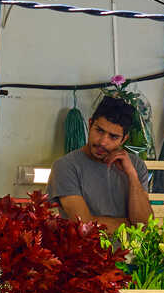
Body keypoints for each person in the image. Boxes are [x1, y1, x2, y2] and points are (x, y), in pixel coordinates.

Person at [48, 96, 153, 230]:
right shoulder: (65, 167)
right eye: (99, 130)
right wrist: (131, 226)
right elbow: (85, 226)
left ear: (124, 139)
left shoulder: (136, 166)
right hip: (87, 250)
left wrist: (132, 176)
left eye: (113, 137)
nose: (103, 142)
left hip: (132, 251)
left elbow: (146, 226)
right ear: (90, 124)